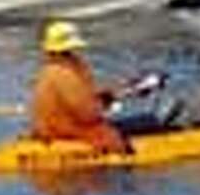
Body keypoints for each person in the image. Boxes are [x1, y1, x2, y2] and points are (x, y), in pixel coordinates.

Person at [29, 20, 129, 154]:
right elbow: (88, 114)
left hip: (53, 129)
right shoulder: (64, 73)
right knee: (138, 124)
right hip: (69, 132)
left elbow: (79, 100)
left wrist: (108, 95)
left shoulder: (49, 71)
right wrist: (107, 103)